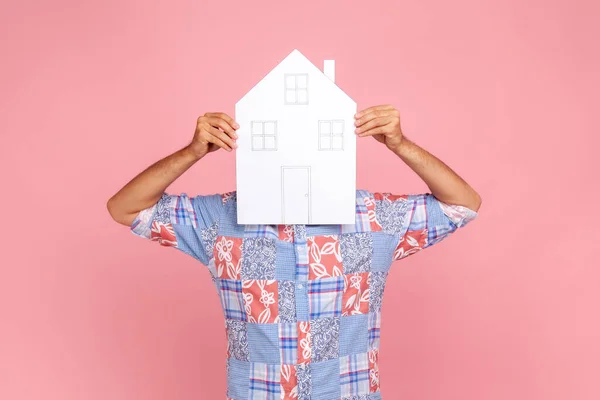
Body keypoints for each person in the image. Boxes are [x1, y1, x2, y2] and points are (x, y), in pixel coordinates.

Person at [107, 105, 481, 400]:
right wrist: (192, 153)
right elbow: (125, 208)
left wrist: (401, 144)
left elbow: (463, 204)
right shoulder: (219, 219)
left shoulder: (372, 217)